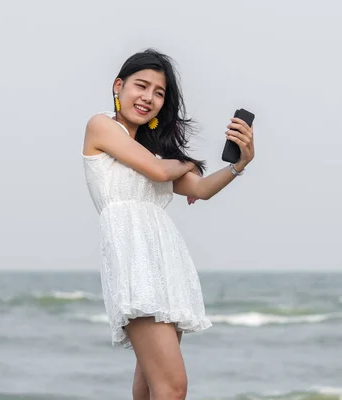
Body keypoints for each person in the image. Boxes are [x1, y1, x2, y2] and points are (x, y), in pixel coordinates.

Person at [81, 48, 255, 400]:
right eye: (141, 86)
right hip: (134, 258)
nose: (148, 97)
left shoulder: (153, 151)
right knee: (173, 387)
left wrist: (240, 165)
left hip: (163, 260)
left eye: (159, 93)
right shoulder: (101, 125)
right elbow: (163, 172)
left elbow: (201, 190)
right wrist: (187, 163)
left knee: (149, 387)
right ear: (119, 86)